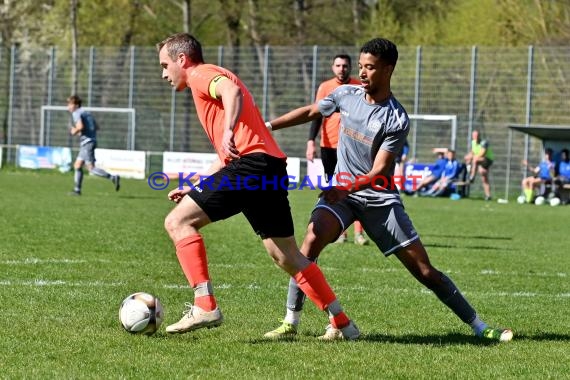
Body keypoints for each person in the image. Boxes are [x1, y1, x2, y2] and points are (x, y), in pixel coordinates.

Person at [263, 37, 513, 342]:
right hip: (342, 197)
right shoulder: (345, 95)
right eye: (361, 66)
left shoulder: (396, 118)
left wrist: (344, 188)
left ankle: (479, 326)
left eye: (370, 67)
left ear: (388, 69)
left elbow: (379, 171)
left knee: (424, 271)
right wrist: (268, 127)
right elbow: (312, 112)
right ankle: (291, 321)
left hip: (379, 199)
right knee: (309, 244)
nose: (363, 73)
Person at [155, 32, 359, 340]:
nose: (164, 74)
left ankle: (204, 304)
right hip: (269, 168)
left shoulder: (201, 75)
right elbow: (229, 155)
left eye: (165, 65)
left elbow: (231, 91)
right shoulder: (209, 80)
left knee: (177, 222)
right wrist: (195, 185)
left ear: (182, 60)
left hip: (250, 167)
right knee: (287, 257)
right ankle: (343, 324)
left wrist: (227, 131)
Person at [307, 54, 368, 246]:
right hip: (329, 146)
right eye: (338, 65)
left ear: (351, 67)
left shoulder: (359, 85)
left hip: (353, 146)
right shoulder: (325, 87)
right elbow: (316, 115)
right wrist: (311, 141)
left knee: (356, 188)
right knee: (333, 188)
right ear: (333, 67)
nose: (342, 68)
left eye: (345, 65)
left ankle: (359, 233)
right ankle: (340, 232)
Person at [67, 95, 120, 195]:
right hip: (89, 141)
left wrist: (75, 131)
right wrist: (85, 132)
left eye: (69, 104)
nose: (68, 107)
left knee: (91, 168)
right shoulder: (86, 112)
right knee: (77, 165)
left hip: (87, 142)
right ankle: (77, 190)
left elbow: (80, 126)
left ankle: (112, 177)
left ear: (75, 105)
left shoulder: (76, 113)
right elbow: (97, 127)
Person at [464, 129, 494, 200]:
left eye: (477, 135)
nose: (476, 137)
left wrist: (472, 157)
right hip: (480, 161)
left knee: (475, 160)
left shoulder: (484, 142)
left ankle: (472, 177)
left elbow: (482, 153)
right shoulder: (473, 142)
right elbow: (472, 152)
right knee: (484, 177)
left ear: (479, 136)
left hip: (487, 159)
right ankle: (488, 195)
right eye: (474, 135)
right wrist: (468, 157)